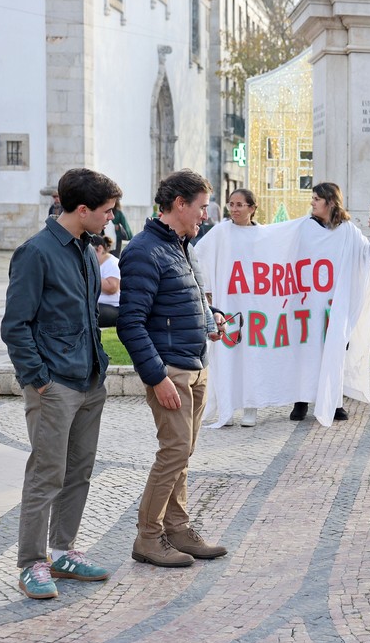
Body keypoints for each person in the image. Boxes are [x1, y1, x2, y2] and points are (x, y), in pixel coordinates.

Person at [2, 167, 121, 599]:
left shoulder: (88, 250)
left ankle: (64, 550)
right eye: (106, 211)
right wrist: (38, 380)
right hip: (54, 385)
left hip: (90, 378)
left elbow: (88, 313)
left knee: (79, 472)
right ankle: (32, 562)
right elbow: (16, 326)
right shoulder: (35, 252)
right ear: (82, 209)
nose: (111, 218)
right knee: (46, 474)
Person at [118, 169, 229, 568]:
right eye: (201, 207)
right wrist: (157, 376)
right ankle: (148, 538)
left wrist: (210, 318)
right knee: (174, 451)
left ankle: (178, 529)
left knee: (183, 453)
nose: (205, 215)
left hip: (195, 364)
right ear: (179, 204)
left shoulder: (182, 245)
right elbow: (131, 322)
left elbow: (186, 298)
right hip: (171, 371)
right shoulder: (144, 250)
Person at [289, 182, 370, 422]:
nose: (311, 202)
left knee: (335, 351)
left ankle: (334, 401)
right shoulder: (303, 228)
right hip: (308, 303)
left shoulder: (348, 231)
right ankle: (300, 400)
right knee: (306, 350)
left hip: (336, 306)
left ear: (330, 202)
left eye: (316, 199)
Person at [221, 188, 261, 427]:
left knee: (252, 355)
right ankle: (227, 406)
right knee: (229, 353)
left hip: (256, 303)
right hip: (229, 302)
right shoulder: (221, 232)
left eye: (239, 205)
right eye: (231, 204)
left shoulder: (263, 235)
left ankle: (251, 406)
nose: (234, 209)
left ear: (252, 208)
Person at [91, 235, 120, 328]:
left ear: (99, 249)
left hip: (113, 307)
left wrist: (90, 275)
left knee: (88, 312)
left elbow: (112, 288)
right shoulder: (95, 264)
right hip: (97, 304)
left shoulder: (112, 263)